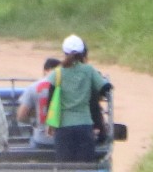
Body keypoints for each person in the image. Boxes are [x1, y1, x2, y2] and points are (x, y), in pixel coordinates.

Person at [45, 35, 111, 164]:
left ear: (64, 52)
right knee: (85, 167)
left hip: (63, 128)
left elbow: (50, 101)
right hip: (84, 126)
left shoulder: (57, 73)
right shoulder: (89, 70)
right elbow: (104, 88)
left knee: (65, 168)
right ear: (82, 52)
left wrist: (51, 124)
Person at [14, 57, 62, 148]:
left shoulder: (33, 87)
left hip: (40, 139)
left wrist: (34, 121)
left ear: (45, 70)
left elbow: (20, 116)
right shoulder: (67, 88)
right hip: (61, 140)